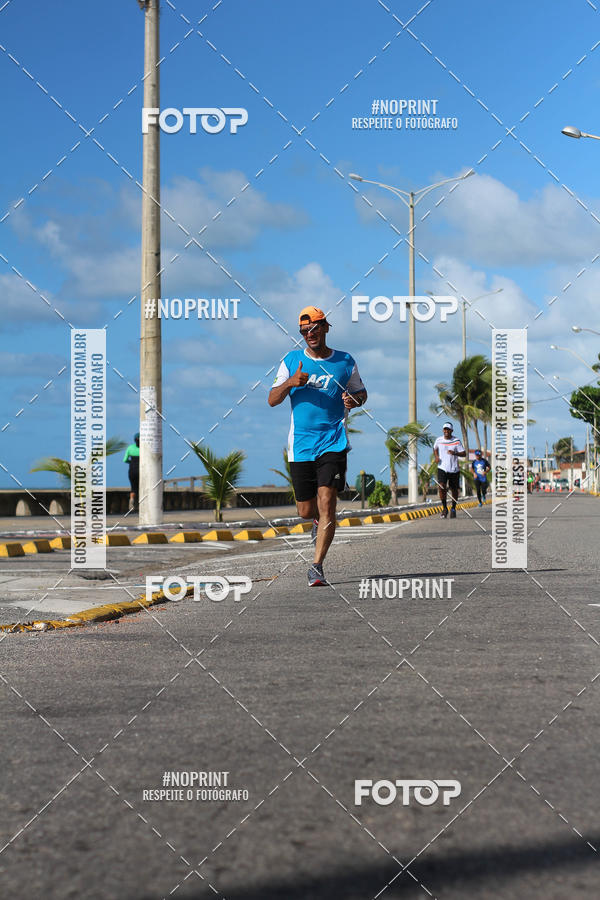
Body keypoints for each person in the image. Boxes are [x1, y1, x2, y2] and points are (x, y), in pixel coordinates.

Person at [268, 306, 367, 586]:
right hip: (300, 446)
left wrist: (355, 400)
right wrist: (290, 382)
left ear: (325, 327)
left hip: (333, 442)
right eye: (304, 331)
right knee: (306, 510)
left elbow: (361, 392)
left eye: (314, 328)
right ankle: (314, 524)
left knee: (327, 503)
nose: (309, 334)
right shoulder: (291, 361)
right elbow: (272, 399)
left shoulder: (345, 361)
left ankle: (317, 565)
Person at [433, 423, 465, 519]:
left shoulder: (456, 441)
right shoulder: (439, 440)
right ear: (443, 430)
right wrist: (436, 457)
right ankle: (444, 508)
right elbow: (435, 448)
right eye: (445, 429)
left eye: (448, 429)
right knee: (441, 486)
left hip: (454, 469)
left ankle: (453, 508)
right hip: (442, 468)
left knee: (454, 489)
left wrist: (455, 453)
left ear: (452, 431)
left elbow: (464, 453)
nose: (446, 431)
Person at [123, 433, 140, 511]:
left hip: (132, 470)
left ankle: (132, 500)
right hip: (141, 470)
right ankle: (140, 504)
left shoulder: (130, 448)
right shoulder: (144, 448)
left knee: (133, 487)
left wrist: (131, 462)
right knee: (141, 487)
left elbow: (125, 460)